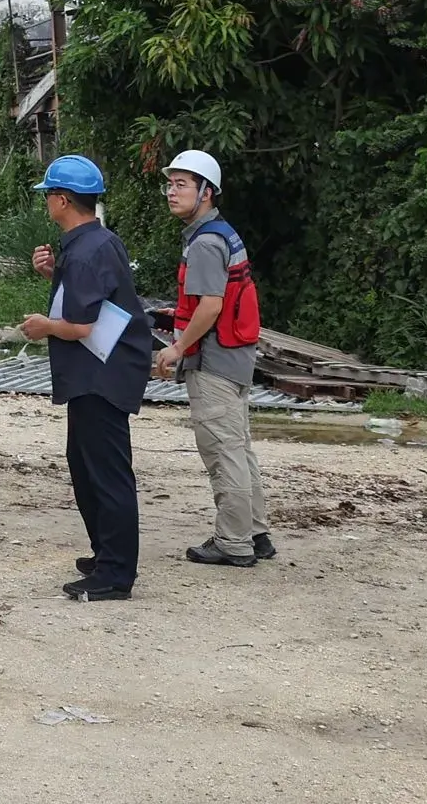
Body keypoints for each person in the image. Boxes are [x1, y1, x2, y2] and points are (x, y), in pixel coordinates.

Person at [20, 154, 155, 601]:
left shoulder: (84, 252)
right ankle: (106, 554)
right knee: (85, 465)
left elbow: (80, 325)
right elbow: (91, 296)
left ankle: (115, 573)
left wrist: (43, 326)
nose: (46, 203)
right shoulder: (97, 241)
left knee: (105, 473)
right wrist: (53, 274)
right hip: (102, 371)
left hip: (100, 374)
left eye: (49, 195)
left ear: (62, 200)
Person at [151, 149, 274, 568]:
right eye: (170, 184)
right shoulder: (221, 233)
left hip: (215, 363)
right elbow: (216, 300)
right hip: (235, 358)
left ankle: (234, 542)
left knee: (223, 452)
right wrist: (177, 316)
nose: (172, 191)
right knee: (238, 449)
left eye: (182, 184)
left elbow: (211, 306)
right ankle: (255, 533)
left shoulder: (204, 242)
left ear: (206, 192)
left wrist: (176, 347)